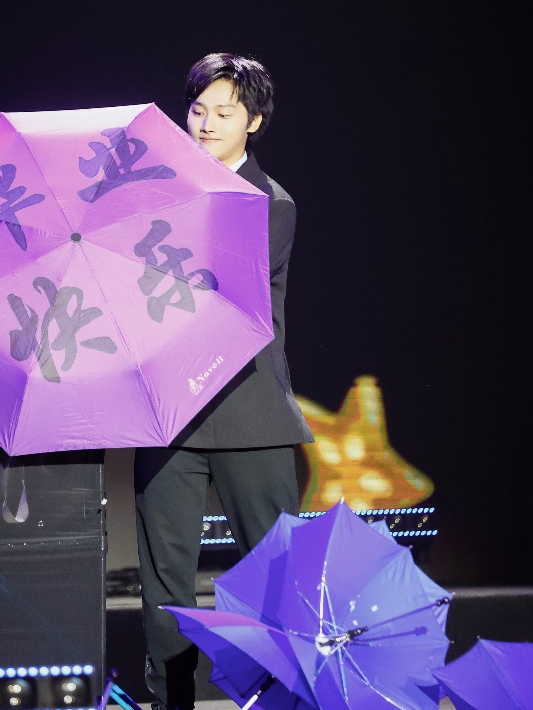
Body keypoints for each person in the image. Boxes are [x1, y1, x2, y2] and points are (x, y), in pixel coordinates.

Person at [134, 52, 314, 710]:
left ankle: (285, 701)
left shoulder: (271, 204)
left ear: (254, 121)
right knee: (163, 583)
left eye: (224, 112)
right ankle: (170, 703)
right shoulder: (151, 194)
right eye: (197, 110)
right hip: (169, 415)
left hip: (248, 412)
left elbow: (217, 296)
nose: (206, 124)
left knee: (275, 581)